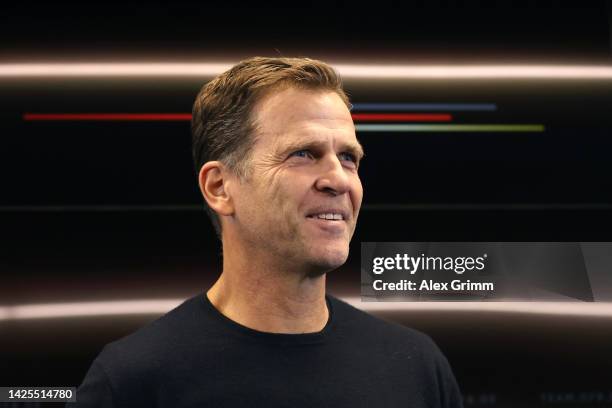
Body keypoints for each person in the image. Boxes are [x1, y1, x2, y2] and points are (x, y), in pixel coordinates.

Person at [70, 56, 463, 407]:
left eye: (348, 157)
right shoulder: (131, 382)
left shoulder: (417, 367)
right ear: (219, 188)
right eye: (303, 153)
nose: (337, 179)